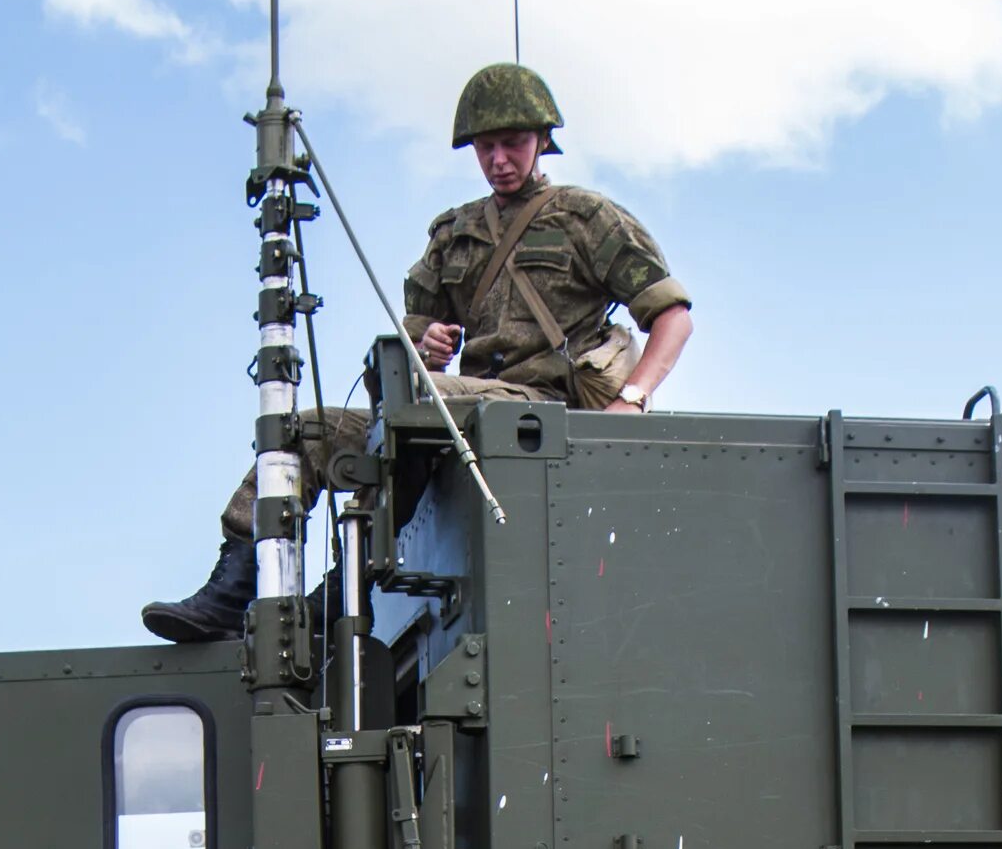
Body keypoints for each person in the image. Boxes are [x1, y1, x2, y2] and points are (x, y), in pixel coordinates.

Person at [141, 61, 694, 644]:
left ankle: (344, 587)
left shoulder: (586, 219)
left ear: (541, 142)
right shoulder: (456, 233)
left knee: (424, 405)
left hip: (540, 409)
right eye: (486, 147)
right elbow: (404, 357)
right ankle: (232, 589)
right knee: (305, 429)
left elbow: (672, 317)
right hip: (458, 409)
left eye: (513, 144)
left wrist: (630, 401)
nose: (499, 160)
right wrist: (424, 344)